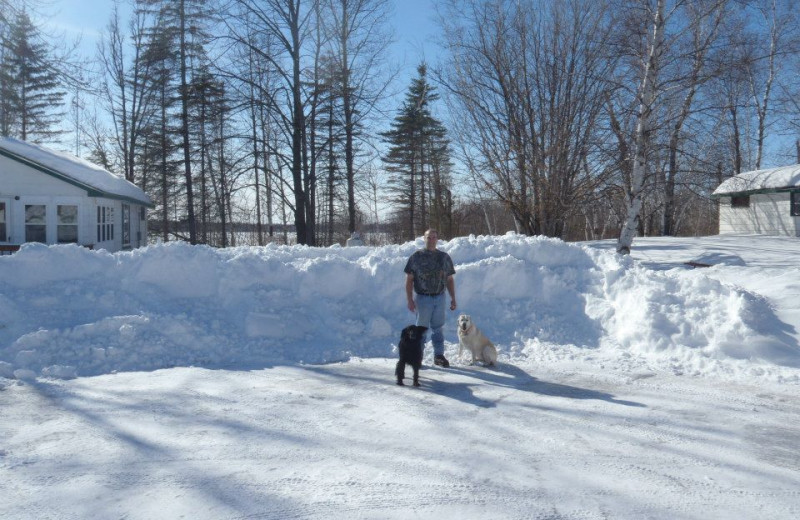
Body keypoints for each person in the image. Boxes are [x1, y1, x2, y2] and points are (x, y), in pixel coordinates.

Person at [404, 228, 457, 367]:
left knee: (438, 329)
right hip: (423, 298)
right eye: (429, 237)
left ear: (437, 239)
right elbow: (409, 280)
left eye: (434, 237)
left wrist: (453, 298)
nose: (432, 240)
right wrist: (409, 299)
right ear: (424, 239)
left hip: (439, 297)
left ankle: (439, 356)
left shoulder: (444, 257)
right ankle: (418, 357)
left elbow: (450, 279)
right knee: (420, 330)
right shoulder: (416, 257)